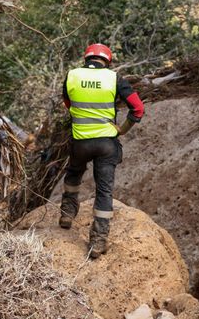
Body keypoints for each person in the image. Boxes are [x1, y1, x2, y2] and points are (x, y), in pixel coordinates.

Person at [58, 43, 145, 258]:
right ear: (107, 61)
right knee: (104, 191)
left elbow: (68, 103)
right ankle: (98, 241)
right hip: (106, 143)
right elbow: (138, 108)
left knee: (74, 172)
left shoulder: (72, 76)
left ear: (86, 58)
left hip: (80, 140)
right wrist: (122, 129)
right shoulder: (114, 79)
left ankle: (67, 213)